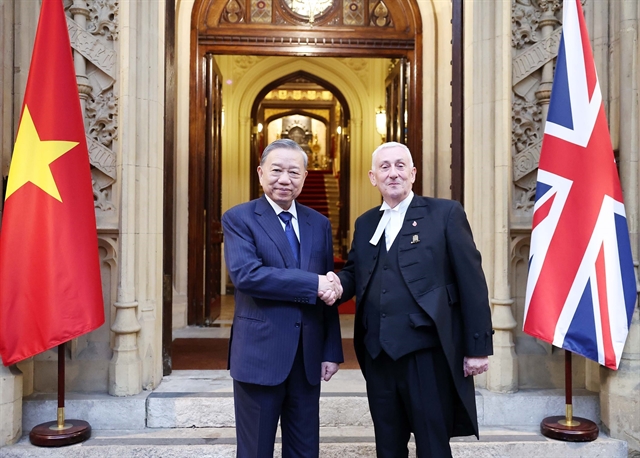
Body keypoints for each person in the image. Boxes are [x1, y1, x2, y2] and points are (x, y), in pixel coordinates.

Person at [334, 142, 493, 458]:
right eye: (384, 167)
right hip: (378, 355)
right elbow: (355, 272)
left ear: (413, 173)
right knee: (388, 447)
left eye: (400, 165)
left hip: (426, 354)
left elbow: (472, 283)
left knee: (433, 447)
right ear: (373, 177)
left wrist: (477, 348)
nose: (393, 173)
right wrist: (334, 284)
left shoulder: (445, 214)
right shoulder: (365, 223)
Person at [221, 138, 343, 458]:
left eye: (294, 172)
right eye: (276, 170)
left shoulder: (319, 223)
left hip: (307, 359)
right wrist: (313, 283)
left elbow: (327, 292)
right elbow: (248, 275)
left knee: (305, 450)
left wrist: (331, 350)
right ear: (261, 173)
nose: (284, 179)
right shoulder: (239, 218)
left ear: (305, 177)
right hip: (260, 357)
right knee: (255, 451)